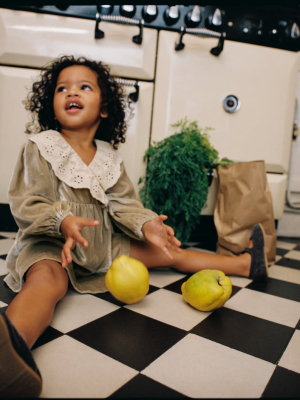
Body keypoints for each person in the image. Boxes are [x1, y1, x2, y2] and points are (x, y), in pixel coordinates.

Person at [0, 55, 268, 397]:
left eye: (85, 87)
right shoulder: (41, 148)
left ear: (105, 109)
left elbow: (125, 204)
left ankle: (245, 264)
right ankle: (11, 353)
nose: (72, 93)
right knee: (45, 283)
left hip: (104, 243)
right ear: (52, 106)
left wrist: (147, 227)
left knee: (171, 253)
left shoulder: (109, 156)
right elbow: (27, 202)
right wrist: (62, 220)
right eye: (62, 88)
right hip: (54, 244)